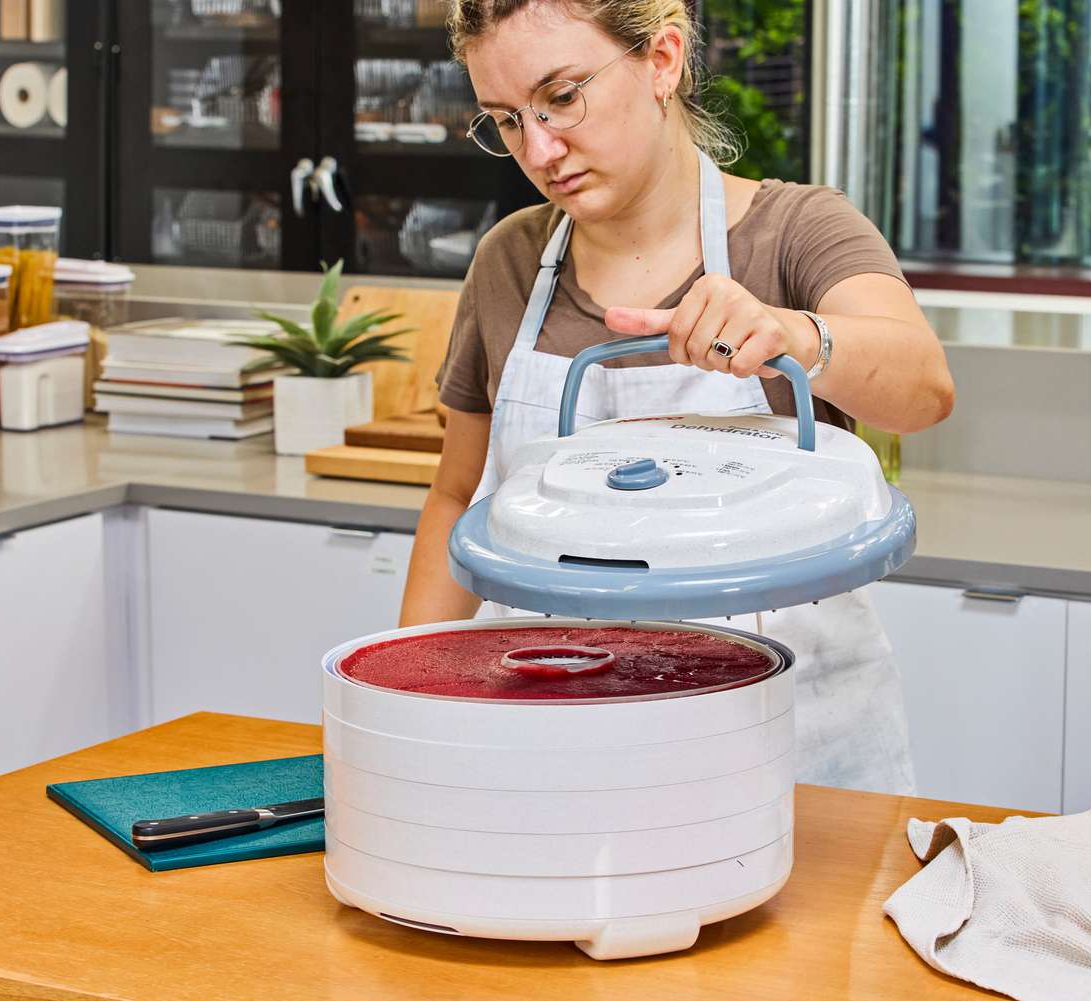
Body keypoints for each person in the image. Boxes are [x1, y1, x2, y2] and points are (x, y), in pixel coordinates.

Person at [398, 0, 955, 793]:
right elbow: (459, 495)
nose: (540, 150)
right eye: (507, 121)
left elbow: (924, 388)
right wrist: (407, 703)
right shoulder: (509, 263)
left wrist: (796, 335)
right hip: (555, 742)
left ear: (662, 60)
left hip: (784, 751)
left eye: (562, 97)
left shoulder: (797, 231)